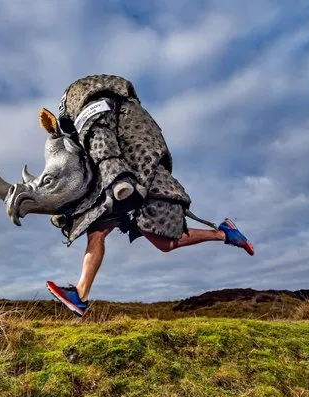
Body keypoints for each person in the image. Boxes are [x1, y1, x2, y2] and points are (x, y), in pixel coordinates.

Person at [44, 74, 254, 317]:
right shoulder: (97, 126)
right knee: (97, 232)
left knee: (165, 243)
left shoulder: (106, 115)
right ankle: (80, 294)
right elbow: (92, 171)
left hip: (144, 183)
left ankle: (223, 233)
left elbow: (115, 152)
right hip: (122, 186)